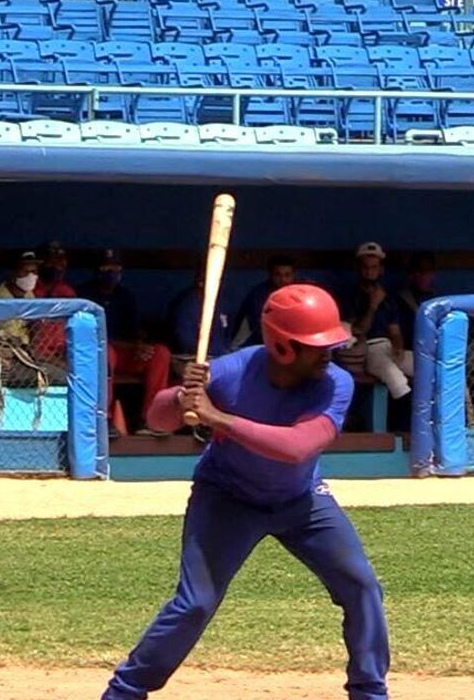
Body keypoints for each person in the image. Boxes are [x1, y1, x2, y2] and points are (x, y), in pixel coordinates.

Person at [102, 284, 389, 700]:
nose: (329, 352)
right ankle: (124, 691)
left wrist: (217, 417)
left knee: (361, 585)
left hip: (301, 500)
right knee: (196, 603)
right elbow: (159, 419)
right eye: (317, 345)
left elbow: (297, 448)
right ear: (283, 346)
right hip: (227, 497)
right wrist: (182, 394)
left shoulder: (335, 383)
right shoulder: (232, 370)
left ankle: (370, 693)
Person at [87, 249, 172, 435]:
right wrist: (133, 346)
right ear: (96, 270)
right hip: (98, 355)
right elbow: (93, 338)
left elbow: (134, 332)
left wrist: (142, 347)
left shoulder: (125, 296)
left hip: (125, 353)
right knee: (105, 351)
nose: (111, 272)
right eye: (106, 267)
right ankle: (105, 419)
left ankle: (152, 419)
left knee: (160, 353)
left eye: (115, 268)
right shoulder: (85, 295)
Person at [342, 242, 410, 399]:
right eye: (365, 267)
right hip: (368, 350)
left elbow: (395, 331)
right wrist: (373, 305)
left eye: (374, 267)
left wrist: (398, 347)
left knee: (425, 367)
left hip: (389, 347)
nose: (369, 272)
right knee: (396, 378)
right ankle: (412, 421)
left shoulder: (388, 298)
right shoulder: (351, 296)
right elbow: (358, 331)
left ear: (381, 270)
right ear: (359, 269)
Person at [228, 255, 299, 350]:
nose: (283, 280)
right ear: (270, 274)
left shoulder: (300, 292)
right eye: (278, 275)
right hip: (260, 344)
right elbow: (258, 327)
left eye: (287, 275)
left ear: (294, 275)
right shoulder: (258, 295)